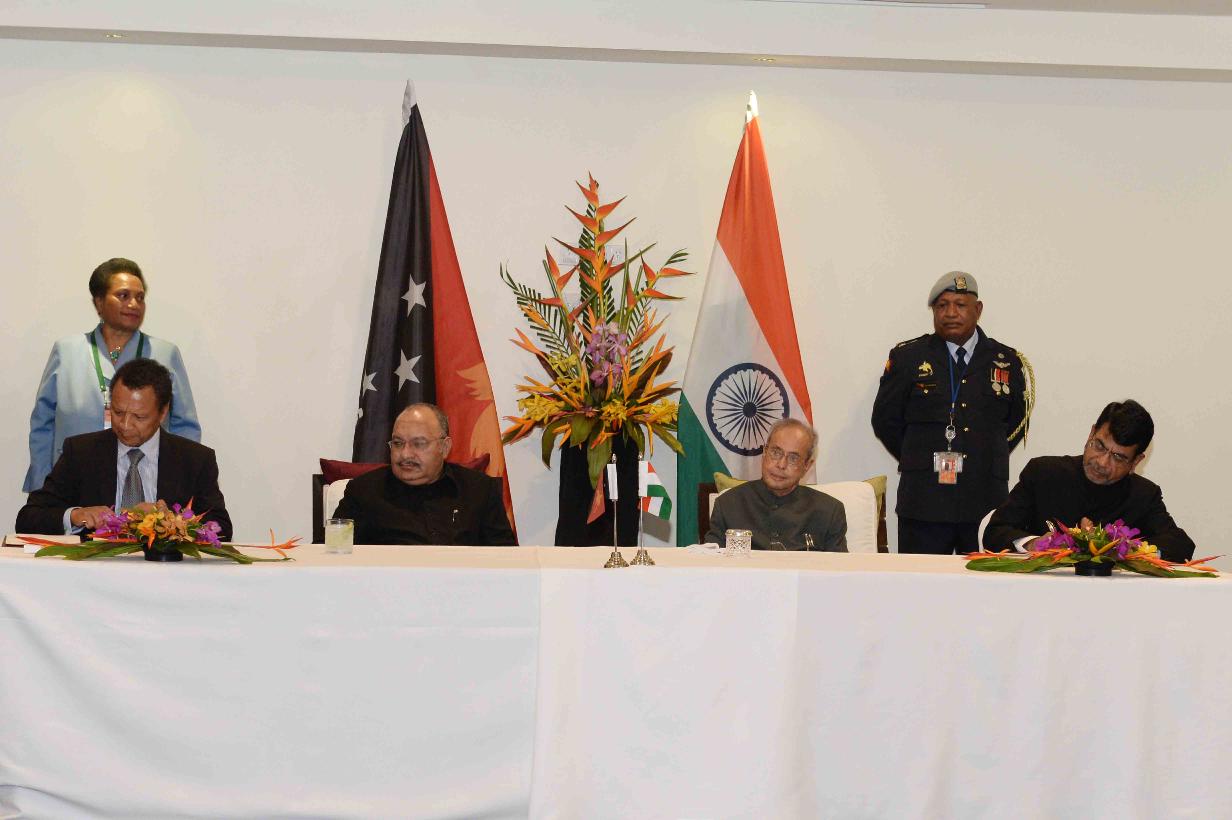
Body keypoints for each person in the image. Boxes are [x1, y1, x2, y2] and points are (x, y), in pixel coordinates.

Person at [872, 271, 1033, 554]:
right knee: (920, 581)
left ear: (978, 310)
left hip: (984, 501)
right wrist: (919, 457)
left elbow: (1016, 423)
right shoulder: (909, 357)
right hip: (924, 502)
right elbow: (885, 421)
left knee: (985, 581)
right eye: (942, 305)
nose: (950, 313)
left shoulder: (1006, 361)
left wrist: (982, 454)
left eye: (960, 305)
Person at [23, 257, 201, 493]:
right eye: (123, 295)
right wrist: (43, 485)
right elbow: (42, 423)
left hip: (142, 482)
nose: (134, 304)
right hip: (74, 480)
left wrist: (180, 486)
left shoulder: (164, 354)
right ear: (98, 302)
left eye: (140, 297)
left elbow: (185, 426)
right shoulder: (67, 352)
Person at [16, 358, 231, 539]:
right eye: (118, 412)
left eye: (139, 417)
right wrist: (75, 516)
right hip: (95, 572)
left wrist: (171, 523)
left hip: (165, 574)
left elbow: (222, 529)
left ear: (163, 412)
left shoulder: (195, 460)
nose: (125, 425)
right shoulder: (81, 452)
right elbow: (28, 518)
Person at [983, 399, 1194, 563]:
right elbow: (995, 531)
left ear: (1136, 462)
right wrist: (1033, 544)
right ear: (1091, 433)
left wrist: (1128, 549)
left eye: (1118, 457)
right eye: (1100, 446)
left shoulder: (1144, 495)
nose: (1102, 462)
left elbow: (1181, 545)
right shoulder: (1043, 473)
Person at [333, 403, 517, 546]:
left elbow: (506, 558)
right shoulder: (364, 491)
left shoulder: (480, 490)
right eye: (397, 443)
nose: (405, 454)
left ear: (445, 447)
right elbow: (331, 553)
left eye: (418, 444)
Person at [705, 418, 847, 551]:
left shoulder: (829, 512)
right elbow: (710, 563)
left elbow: (840, 568)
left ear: (807, 465)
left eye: (793, 458)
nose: (781, 464)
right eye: (776, 453)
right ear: (764, 452)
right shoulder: (728, 504)